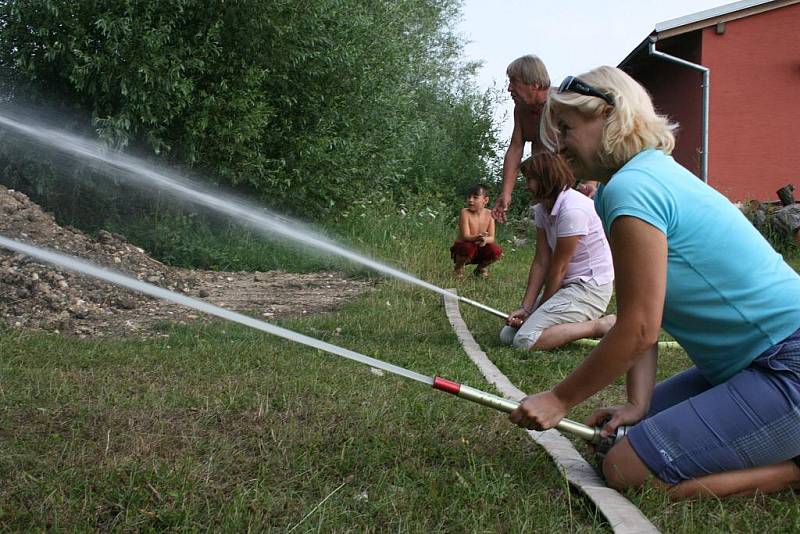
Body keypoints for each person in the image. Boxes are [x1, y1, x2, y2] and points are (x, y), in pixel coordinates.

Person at [509, 66, 800, 499]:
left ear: (609, 117)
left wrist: (558, 399)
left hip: (786, 365)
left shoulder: (632, 189)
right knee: (621, 435)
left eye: (566, 128)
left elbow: (640, 329)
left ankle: (793, 472)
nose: (558, 144)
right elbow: (640, 314)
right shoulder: (634, 181)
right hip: (752, 365)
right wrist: (637, 403)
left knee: (623, 468)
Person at [500, 152, 615, 350]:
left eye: (529, 179)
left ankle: (600, 325)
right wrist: (526, 308)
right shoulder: (542, 209)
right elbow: (541, 261)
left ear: (546, 177)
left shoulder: (573, 210)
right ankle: (572, 322)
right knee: (507, 335)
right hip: (566, 286)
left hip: (589, 288)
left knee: (524, 341)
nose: (526, 186)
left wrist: (540, 308)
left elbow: (559, 268)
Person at [492, 55, 597, 224]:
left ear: (534, 84)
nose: (509, 88)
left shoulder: (565, 102)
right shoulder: (521, 110)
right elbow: (515, 148)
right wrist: (506, 193)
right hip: (544, 190)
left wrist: (591, 182)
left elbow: (593, 140)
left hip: (575, 190)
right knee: (549, 240)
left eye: (514, 81)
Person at [451, 184, 502, 278]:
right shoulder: (465, 212)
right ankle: (459, 267)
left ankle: (481, 268)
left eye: (475, 197)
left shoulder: (490, 214)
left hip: (480, 247)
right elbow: (465, 236)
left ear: (485, 200)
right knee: (467, 247)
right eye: (469, 197)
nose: (470, 200)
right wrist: (478, 237)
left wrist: (484, 240)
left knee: (496, 250)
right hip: (465, 247)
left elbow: (492, 238)